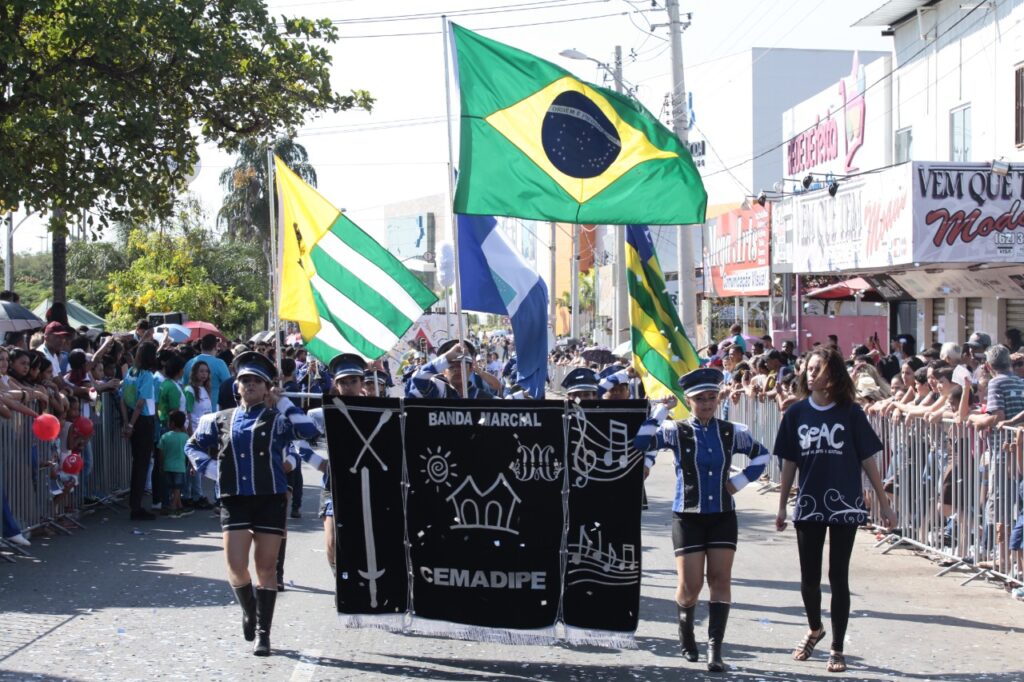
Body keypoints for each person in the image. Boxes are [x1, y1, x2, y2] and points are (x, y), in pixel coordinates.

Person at [634, 368, 770, 672]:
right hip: (688, 516)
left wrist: (742, 480)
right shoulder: (675, 430)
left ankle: (715, 649)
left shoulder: (732, 431)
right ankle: (686, 632)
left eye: (712, 397)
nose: (707, 404)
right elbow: (640, 442)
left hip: (723, 515)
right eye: (700, 399)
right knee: (690, 584)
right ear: (688, 399)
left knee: (720, 580)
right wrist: (660, 410)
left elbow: (762, 456)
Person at [774, 346, 897, 674]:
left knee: (838, 576)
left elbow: (867, 459)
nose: (810, 374)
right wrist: (782, 505)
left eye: (818, 369)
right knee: (809, 579)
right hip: (809, 503)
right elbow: (789, 461)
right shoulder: (796, 414)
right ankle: (815, 628)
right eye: (808, 369)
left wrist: (884, 503)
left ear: (834, 376)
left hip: (845, 503)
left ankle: (837, 648)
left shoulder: (851, 413)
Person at [185, 351, 317, 656]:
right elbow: (192, 445)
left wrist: (283, 401)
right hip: (235, 499)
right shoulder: (218, 419)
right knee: (235, 566)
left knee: (266, 567)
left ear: (266, 386)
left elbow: (310, 432)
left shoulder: (279, 419)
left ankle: (263, 633)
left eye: (257, 381)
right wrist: (212, 470)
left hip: (270, 497)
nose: (251, 385)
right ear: (237, 385)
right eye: (245, 380)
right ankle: (250, 609)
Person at [121, 341, 160, 521]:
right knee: (142, 463)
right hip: (143, 420)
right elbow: (141, 402)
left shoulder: (130, 372)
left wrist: (127, 422)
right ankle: (136, 507)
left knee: (138, 463)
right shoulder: (147, 375)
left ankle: (134, 503)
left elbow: (123, 399)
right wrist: (131, 424)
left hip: (132, 418)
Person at [408, 339, 494, 399]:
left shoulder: (483, 397)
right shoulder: (439, 392)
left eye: (462, 365)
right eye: (451, 366)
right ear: (443, 371)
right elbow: (418, 378)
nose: (456, 369)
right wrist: (447, 357)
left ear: (471, 368)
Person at [158, 411, 191, 518]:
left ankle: (170, 505)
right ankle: (174, 507)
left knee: (167, 488)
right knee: (177, 488)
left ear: (172, 423)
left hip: (167, 466)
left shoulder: (165, 436)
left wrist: (161, 465)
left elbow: (161, 453)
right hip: (180, 467)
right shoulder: (185, 437)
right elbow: (189, 453)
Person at [183, 333, 231, 403]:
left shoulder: (189, 362)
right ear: (216, 347)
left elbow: (184, 384)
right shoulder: (220, 363)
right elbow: (229, 385)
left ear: (201, 346)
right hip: (213, 407)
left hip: (192, 407)